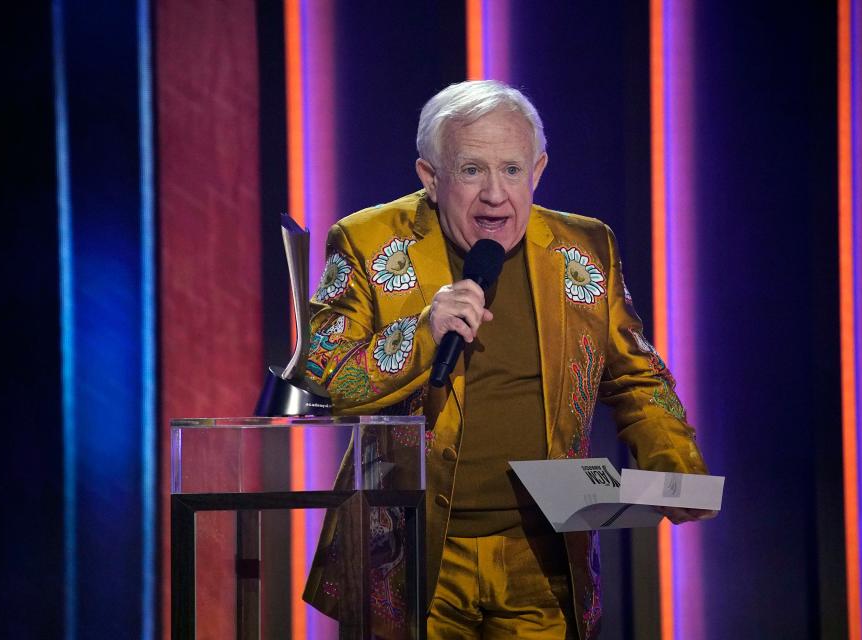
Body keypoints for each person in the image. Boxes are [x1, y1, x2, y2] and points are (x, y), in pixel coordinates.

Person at [302, 80, 713, 640]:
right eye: (472, 170)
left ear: (537, 169)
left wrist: (674, 466)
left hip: (542, 556)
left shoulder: (585, 248)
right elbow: (325, 375)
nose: (495, 194)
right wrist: (424, 331)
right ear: (430, 177)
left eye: (512, 170)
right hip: (411, 551)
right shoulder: (367, 242)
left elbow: (637, 377)